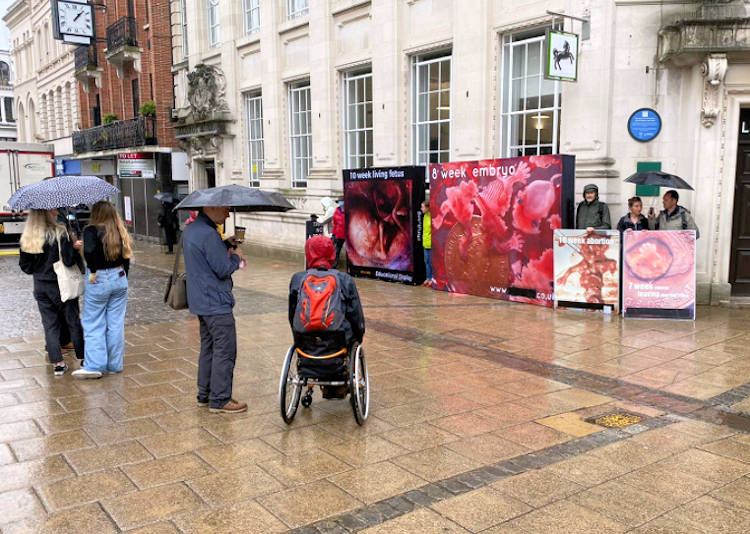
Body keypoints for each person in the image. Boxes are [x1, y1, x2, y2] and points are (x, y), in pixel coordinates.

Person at [182, 206, 247, 414]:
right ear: (211, 208)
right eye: (225, 210)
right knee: (225, 350)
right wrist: (236, 256)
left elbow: (206, 257)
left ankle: (205, 394)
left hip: (200, 300)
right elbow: (223, 268)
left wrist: (225, 244)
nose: (228, 214)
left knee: (208, 348)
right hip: (215, 301)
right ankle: (220, 399)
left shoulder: (193, 230)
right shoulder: (208, 234)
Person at [289, 235, 365, 398]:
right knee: (350, 336)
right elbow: (355, 315)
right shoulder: (345, 279)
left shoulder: (298, 279)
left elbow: (292, 313)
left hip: (306, 340)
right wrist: (359, 337)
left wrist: (298, 336)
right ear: (331, 254)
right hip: (338, 341)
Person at [19, 209, 85, 376]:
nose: (56, 211)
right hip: (60, 284)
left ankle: (58, 364)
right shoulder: (61, 232)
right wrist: (74, 247)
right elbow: (69, 261)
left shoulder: (28, 236)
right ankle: (83, 357)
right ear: (47, 213)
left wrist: (39, 270)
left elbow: (25, 266)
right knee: (72, 320)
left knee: (50, 324)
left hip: (40, 285)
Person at [73, 201, 133, 379]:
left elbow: (90, 251)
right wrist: (123, 276)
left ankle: (95, 365)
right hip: (119, 277)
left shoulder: (91, 230)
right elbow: (126, 258)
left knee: (94, 322)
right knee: (115, 323)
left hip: (99, 277)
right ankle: (115, 364)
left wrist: (93, 269)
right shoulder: (119, 230)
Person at [421, 200, 433, 286]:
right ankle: (428, 278)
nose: (421, 209)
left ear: (427, 207)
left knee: (432, 262)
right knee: (427, 261)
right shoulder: (425, 216)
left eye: (422, 207)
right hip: (425, 243)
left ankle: (433, 279)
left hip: (432, 244)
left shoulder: (432, 216)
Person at [332, 199, 346, 268]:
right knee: (336, 251)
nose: (340, 203)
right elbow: (334, 223)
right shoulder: (336, 211)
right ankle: (334, 265)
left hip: (347, 235)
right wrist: (333, 234)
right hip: (339, 235)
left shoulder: (349, 211)